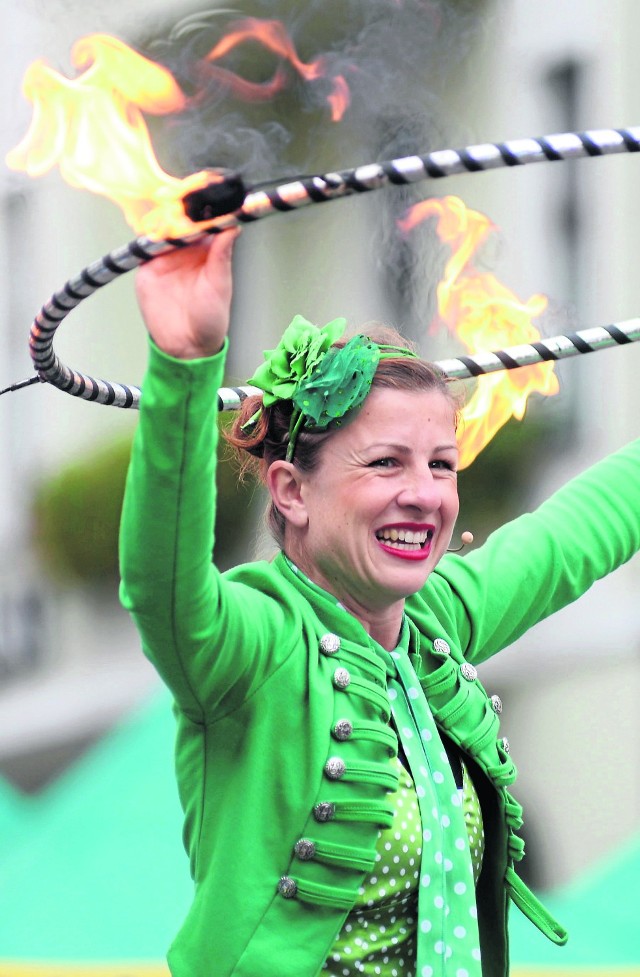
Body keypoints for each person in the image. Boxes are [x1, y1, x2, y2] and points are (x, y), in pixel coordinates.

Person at [119, 229, 640, 977]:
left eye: (440, 464)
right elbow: (159, 579)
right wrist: (185, 360)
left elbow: (577, 534)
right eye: (386, 463)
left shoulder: (434, 621)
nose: (425, 495)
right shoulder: (253, 645)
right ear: (292, 491)